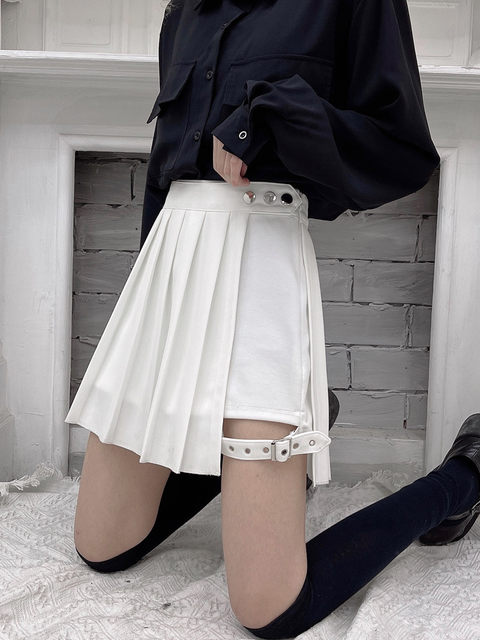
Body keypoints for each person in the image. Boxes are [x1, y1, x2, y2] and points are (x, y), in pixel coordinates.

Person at [66, 0, 480, 637]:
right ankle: (292, 428)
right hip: (168, 266)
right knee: (102, 546)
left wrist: (266, 117)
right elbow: (164, 165)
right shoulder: (187, 10)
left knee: (269, 608)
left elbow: (401, 149)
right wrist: (145, 313)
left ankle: (465, 476)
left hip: (261, 260)